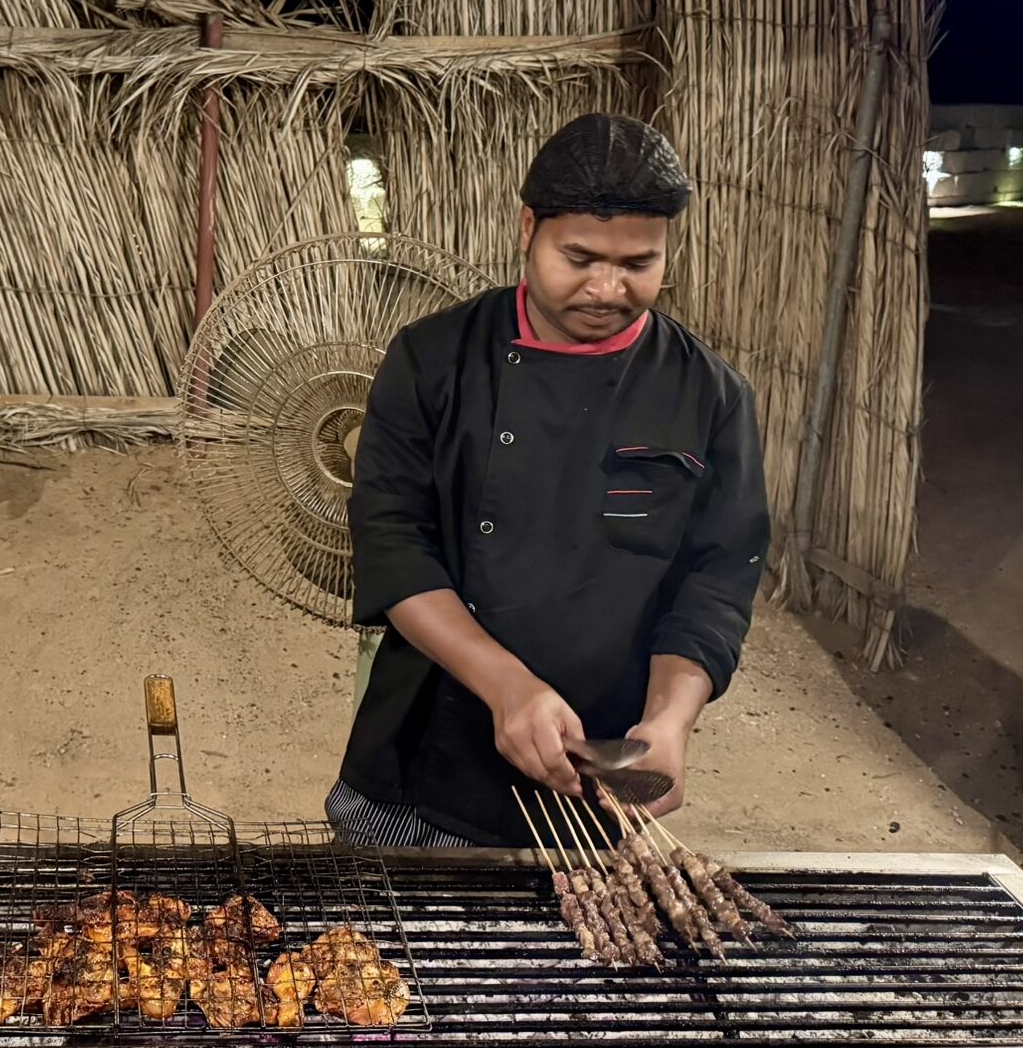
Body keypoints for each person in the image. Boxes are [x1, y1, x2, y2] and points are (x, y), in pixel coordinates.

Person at [327, 113, 770, 847]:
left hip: (595, 765)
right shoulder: (433, 360)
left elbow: (717, 580)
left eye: (638, 263)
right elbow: (392, 543)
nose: (607, 287)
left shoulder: (712, 396)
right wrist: (506, 685)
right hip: (424, 760)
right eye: (581, 256)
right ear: (528, 227)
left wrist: (668, 719)